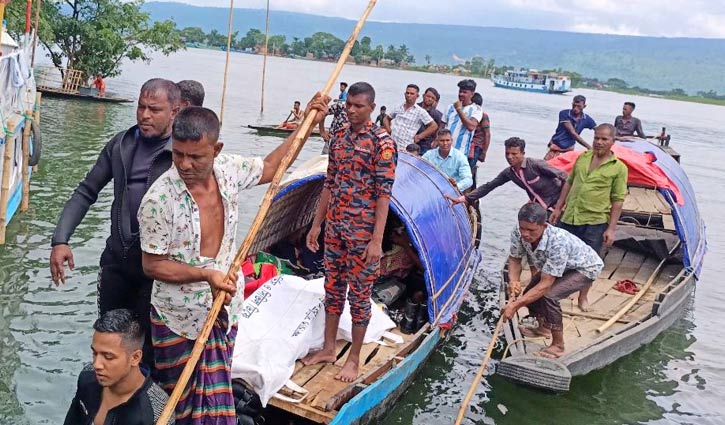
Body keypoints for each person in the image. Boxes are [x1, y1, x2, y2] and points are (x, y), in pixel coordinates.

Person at [139, 97, 329, 424]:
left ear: (216, 149)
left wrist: (307, 125)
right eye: (178, 154)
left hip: (225, 309)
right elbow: (152, 265)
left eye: (195, 157)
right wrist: (205, 274)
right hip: (178, 320)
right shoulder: (159, 199)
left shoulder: (228, 171)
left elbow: (271, 168)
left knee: (214, 407)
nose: (184, 165)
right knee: (181, 407)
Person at [50, 78, 181, 369]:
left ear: (174, 111)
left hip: (157, 273)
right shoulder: (122, 144)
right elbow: (86, 191)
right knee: (110, 344)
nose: (145, 115)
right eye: (141, 107)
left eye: (154, 109)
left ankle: (148, 406)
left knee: (147, 353)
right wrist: (60, 240)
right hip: (116, 264)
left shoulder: (182, 154)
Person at [302, 82, 396, 383]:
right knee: (332, 289)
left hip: (363, 235)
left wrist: (376, 241)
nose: (352, 110)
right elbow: (329, 183)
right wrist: (317, 224)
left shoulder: (382, 143)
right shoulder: (339, 138)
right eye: (349, 105)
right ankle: (329, 348)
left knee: (359, 296)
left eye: (358, 106)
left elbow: (384, 195)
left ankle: (353, 360)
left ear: (371, 108)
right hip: (336, 230)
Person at [502, 203, 604, 358]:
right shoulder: (518, 233)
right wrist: (514, 281)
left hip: (584, 267)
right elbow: (515, 259)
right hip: (561, 266)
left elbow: (545, 285)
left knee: (550, 295)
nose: (525, 234)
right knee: (530, 292)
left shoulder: (558, 241)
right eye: (523, 228)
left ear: (544, 226)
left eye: (531, 230)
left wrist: (515, 305)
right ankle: (543, 327)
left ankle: (558, 345)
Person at [549, 123, 628, 310]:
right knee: (559, 257)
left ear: (612, 142)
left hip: (595, 221)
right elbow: (569, 183)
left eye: (604, 139)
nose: (599, 142)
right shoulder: (583, 158)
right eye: (597, 138)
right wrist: (558, 208)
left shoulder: (618, 168)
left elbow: (617, 200)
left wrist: (611, 228)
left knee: (590, 263)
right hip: (570, 217)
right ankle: (552, 296)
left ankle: (582, 297)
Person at [64, 309, 172, 425]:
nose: (96, 365)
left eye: (108, 357)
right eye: (95, 353)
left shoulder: (156, 412)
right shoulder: (87, 376)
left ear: (135, 357)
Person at [449, 137, 567, 209]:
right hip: (541, 205)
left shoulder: (535, 164)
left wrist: (564, 202)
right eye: (507, 154)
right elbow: (490, 186)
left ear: (523, 153)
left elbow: (564, 177)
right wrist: (464, 198)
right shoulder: (509, 173)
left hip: (557, 202)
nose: (510, 157)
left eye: (514, 154)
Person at [441, 79, 483, 172]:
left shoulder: (476, 109)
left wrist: (459, 110)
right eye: (460, 91)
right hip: (443, 151)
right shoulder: (449, 107)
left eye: (465, 92)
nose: (461, 94)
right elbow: (442, 126)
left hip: (460, 153)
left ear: (471, 94)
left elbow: (471, 126)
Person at [383, 84, 437, 150]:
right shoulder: (398, 107)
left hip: (406, 147)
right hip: (392, 144)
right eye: (407, 93)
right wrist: (389, 130)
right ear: (404, 94)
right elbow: (386, 118)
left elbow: (433, 126)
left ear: (417, 96)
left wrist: (420, 136)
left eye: (412, 94)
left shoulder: (420, 111)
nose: (409, 95)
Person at [545, 95, 596, 160]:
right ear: (572, 104)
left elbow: (598, 130)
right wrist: (589, 147)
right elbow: (573, 133)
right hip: (555, 145)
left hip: (569, 148)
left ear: (584, 106)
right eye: (574, 105)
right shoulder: (564, 113)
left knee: (565, 168)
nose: (575, 108)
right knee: (547, 165)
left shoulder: (586, 119)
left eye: (579, 106)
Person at [469, 92, 491, 186]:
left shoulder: (483, 115)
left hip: (476, 146)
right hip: (468, 146)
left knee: (469, 170)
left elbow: (487, 134)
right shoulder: (468, 114)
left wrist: (484, 152)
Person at [415, 87, 443, 154]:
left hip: (426, 144)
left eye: (433, 98)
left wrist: (435, 141)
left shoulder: (437, 114)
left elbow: (440, 129)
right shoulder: (415, 107)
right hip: (411, 139)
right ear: (423, 96)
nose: (430, 99)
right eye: (428, 96)